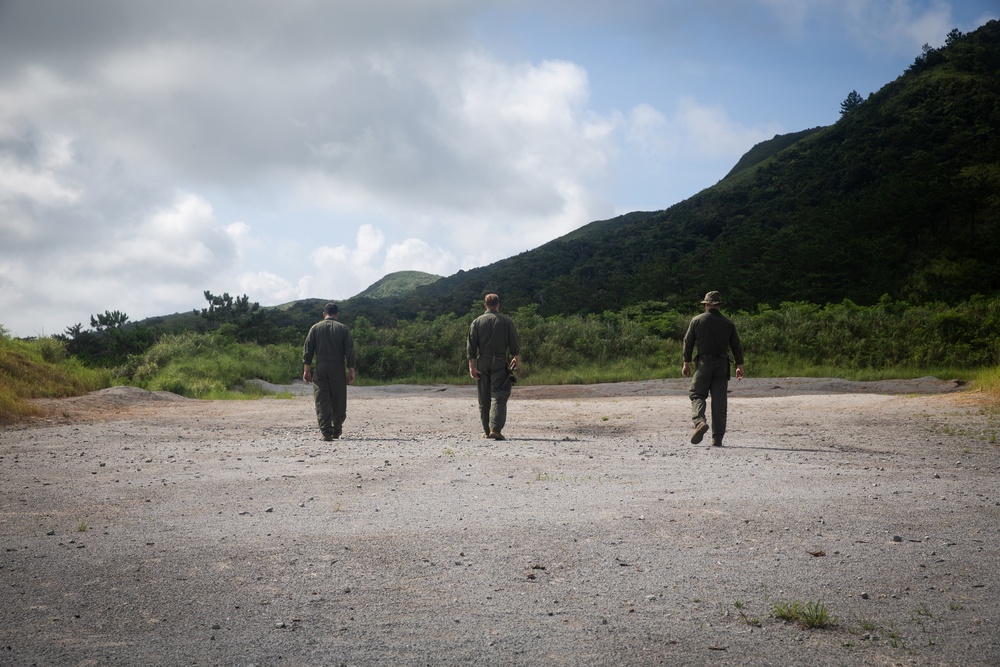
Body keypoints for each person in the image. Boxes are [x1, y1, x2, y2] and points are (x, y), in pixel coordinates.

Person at [681, 291, 745, 447]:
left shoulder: (697, 321)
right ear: (719, 305)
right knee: (719, 403)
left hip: (704, 364)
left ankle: (699, 422)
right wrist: (739, 366)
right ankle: (717, 439)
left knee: (696, 393)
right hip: (722, 366)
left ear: (707, 304)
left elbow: (688, 342)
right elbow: (736, 346)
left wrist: (686, 363)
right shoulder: (728, 323)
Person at [467, 293, 521, 440]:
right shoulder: (506, 321)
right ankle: (495, 429)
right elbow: (513, 342)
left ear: (485, 305)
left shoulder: (476, 322)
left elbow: (471, 346)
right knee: (499, 394)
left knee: (483, 397)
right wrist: (516, 357)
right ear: (498, 304)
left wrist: (471, 366)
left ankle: (486, 430)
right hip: (499, 360)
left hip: (482, 360)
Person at [303, 302, 357, 441]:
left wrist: (306, 370)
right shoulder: (343, 329)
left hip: (321, 366)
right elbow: (350, 350)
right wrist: (351, 368)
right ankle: (337, 428)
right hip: (338, 367)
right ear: (337, 314)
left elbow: (308, 350)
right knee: (339, 398)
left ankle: (326, 431)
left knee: (322, 399)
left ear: (324, 314)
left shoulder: (315, 328)